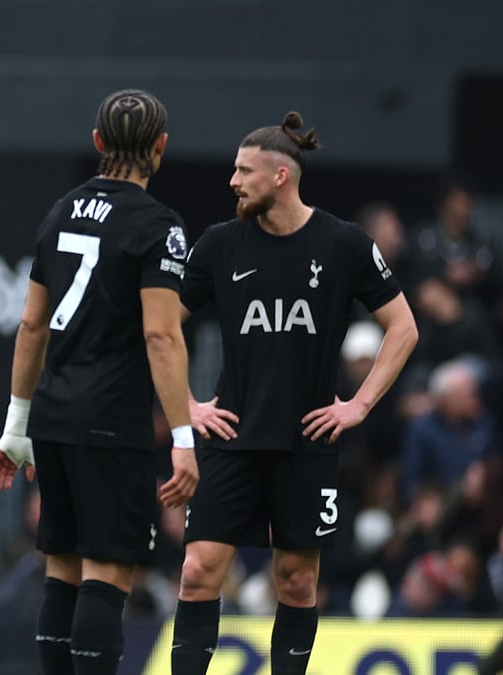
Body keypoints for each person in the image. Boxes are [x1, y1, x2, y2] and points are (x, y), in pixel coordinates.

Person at [171, 112, 419, 674]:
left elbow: (403, 328)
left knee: (298, 580)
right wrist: (184, 404)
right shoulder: (217, 245)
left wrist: (357, 405)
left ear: (281, 176)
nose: (232, 181)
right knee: (197, 571)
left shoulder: (345, 244)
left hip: (306, 443)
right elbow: (161, 329)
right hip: (231, 436)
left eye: (243, 171)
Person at [0, 88, 199, 675]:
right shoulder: (160, 227)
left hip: (53, 417)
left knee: (62, 570)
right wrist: (184, 438)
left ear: (98, 144)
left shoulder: (60, 211)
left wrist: (16, 428)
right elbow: (161, 336)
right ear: (160, 148)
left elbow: (32, 325)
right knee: (107, 575)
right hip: (113, 421)